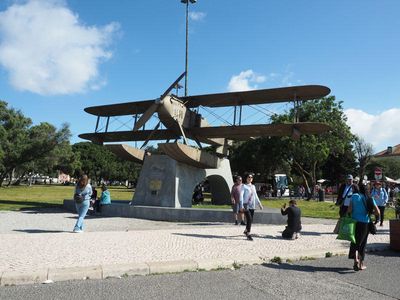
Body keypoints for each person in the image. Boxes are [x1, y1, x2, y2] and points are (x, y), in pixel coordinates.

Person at [347, 184, 380, 271]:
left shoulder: (354, 196)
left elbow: (349, 210)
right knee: (362, 244)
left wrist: (353, 213)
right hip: (365, 223)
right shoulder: (370, 198)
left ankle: (355, 261)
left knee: (354, 242)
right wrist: (370, 212)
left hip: (354, 222)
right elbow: (378, 212)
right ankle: (361, 264)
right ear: (367, 190)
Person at [239, 173, 262, 241]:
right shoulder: (244, 186)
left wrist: (259, 204)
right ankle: (248, 234)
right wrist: (241, 205)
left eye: (251, 177)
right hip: (246, 205)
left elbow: (256, 196)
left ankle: (246, 230)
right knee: (249, 219)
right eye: (249, 177)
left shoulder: (253, 186)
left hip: (252, 205)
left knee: (250, 220)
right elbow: (241, 196)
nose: (250, 178)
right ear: (246, 178)